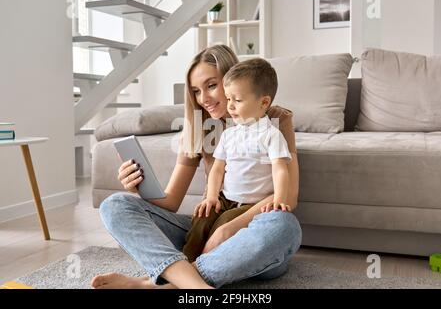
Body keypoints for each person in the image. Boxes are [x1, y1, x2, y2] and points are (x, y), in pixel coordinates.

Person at [91, 45, 301, 289]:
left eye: (212, 86)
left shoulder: (275, 119)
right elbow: (170, 202)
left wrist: (230, 229)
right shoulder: (199, 126)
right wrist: (138, 187)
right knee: (115, 205)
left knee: (284, 226)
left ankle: (155, 285)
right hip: (207, 227)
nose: (204, 99)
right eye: (195, 91)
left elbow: (289, 196)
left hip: (252, 231)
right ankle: (194, 283)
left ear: (233, 78)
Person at [183, 58, 293, 262]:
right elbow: (217, 169)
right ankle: (185, 260)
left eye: (237, 100)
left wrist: (279, 197)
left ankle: (206, 263)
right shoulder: (228, 134)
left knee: (224, 222)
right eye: (228, 98)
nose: (230, 106)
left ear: (263, 103)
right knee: (202, 217)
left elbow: (280, 169)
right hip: (226, 198)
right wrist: (212, 197)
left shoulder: (271, 134)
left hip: (251, 204)